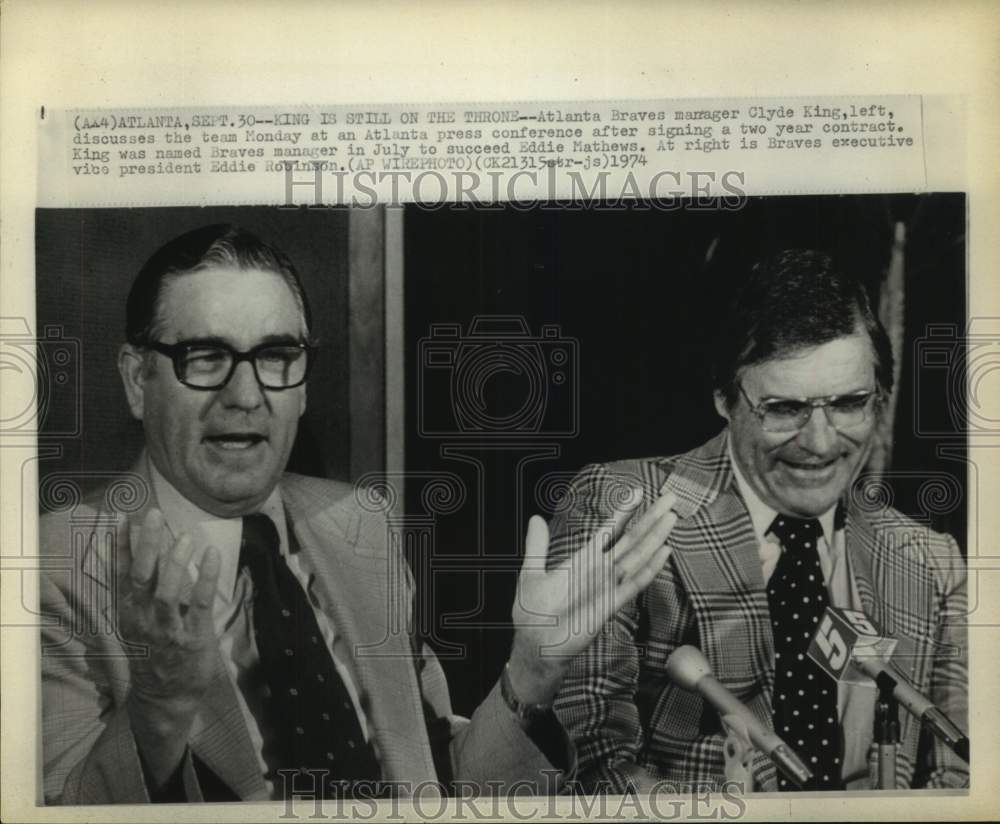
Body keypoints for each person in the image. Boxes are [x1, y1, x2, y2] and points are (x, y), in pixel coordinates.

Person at [39, 224, 679, 804]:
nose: (244, 395)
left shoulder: (359, 525)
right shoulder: (54, 569)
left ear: (304, 380)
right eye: (205, 357)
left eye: (274, 357)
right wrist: (158, 703)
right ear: (135, 379)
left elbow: (442, 787)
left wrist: (532, 673)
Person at [549, 249, 968, 792]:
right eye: (785, 409)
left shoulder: (932, 562)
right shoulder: (621, 509)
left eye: (849, 404)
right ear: (725, 398)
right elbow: (593, 769)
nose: (820, 443)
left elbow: (966, 777)